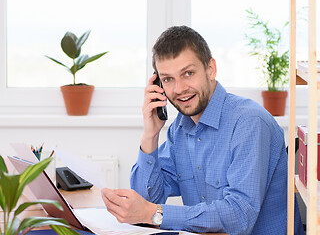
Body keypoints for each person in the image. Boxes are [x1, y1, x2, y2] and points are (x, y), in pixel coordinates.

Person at [102, 25, 304, 235]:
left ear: (211, 69)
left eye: (188, 73)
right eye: (168, 79)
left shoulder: (249, 123)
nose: (179, 89)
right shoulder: (179, 129)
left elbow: (239, 216)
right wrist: (150, 135)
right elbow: (147, 201)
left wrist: (155, 214)